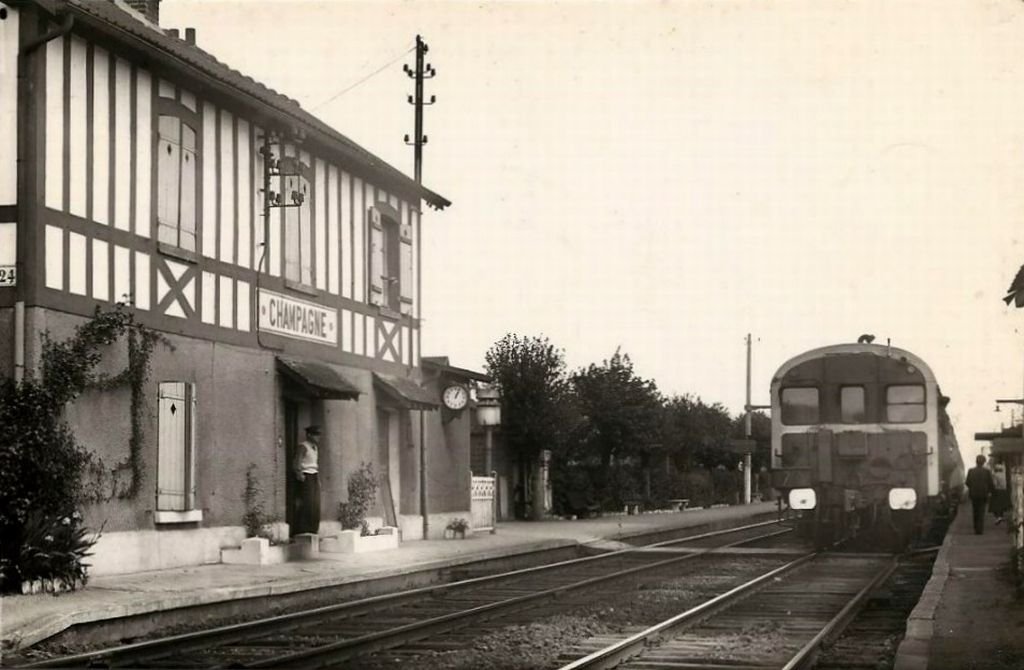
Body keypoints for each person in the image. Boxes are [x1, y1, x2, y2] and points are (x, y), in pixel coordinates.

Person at [293, 425, 321, 535]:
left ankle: (313, 529)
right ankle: (303, 528)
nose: (318, 437)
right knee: (308, 502)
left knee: (315, 503)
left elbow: (314, 464)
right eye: (315, 434)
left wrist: (317, 479)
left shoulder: (315, 448)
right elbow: (296, 462)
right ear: (309, 435)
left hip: (314, 475)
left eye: (319, 435)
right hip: (306, 475)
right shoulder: (303, 446)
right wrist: (299, 474)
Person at [965, 454, 996, 535]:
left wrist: (972, 487)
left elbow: (967, 482)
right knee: (981, 511)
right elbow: (990, 484)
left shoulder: (971, 471)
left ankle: (976, 528)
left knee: (975, 511)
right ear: (983, 462)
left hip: (974, 494)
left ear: (976, 462)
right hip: (983, 494)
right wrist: (991, 492)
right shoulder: (987, 472)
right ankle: (980, 529)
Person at [990, 458, 1010, 526]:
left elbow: (995, 484)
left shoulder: (995, 475)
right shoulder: (1004, 474)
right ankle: (1000, 517)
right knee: (1001, 506)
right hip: (1004, 491)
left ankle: (998, 517)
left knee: (995, 506)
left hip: (997, 491)